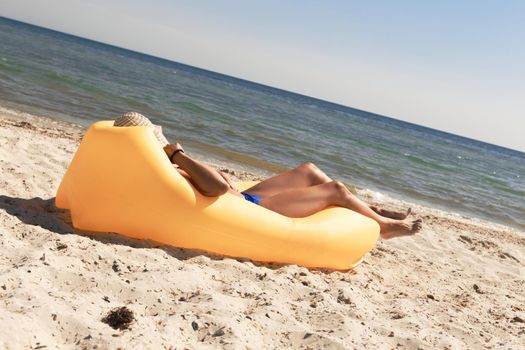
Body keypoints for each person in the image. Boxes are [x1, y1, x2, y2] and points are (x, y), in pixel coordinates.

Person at [115, 112, 422, 239]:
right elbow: (218, 187)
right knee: (335, 189)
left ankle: (373, 208)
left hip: (248, 197)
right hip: (253, 210)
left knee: (309, 171)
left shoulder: (160, 164)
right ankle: (383, 226)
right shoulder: (166, 165)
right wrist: (176, 154)